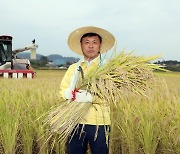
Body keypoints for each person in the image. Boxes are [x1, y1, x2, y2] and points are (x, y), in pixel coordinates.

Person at [59, 26, 115, 154]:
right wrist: (66, 94)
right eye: (87, 42)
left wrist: (91, 98)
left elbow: (112, 93)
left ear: (100, 45)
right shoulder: (73, 68)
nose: (91, 46)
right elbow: (62, 90)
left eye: (94, 42)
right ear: (81, 45)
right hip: (75, 122)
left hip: (99, 123)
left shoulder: (108, 68)